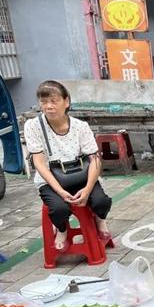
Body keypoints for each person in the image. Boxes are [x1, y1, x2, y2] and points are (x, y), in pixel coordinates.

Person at [24, 81, 112, 253]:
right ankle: (62, 230)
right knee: (58, 208)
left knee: (101, 202)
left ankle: (100, 219)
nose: (48, 106)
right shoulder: (33, 126)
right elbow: (39, 164)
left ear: (66, 102)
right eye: (44, 102)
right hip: (50, 180)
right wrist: (60, 191)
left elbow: (95, 160)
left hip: (81, 176)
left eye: (54, 101)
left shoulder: (81, 127)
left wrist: (87, 189)